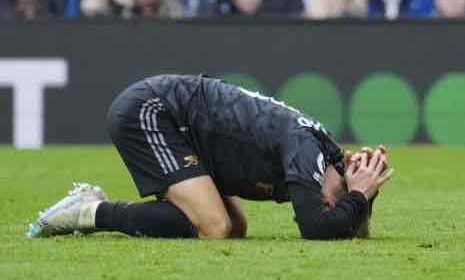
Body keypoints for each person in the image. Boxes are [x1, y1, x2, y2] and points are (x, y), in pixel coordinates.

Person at [27, 75, 393, 240]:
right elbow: (318, 228)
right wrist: (360, 194)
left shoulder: (320, 159)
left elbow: (347, 229)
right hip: (152, 109)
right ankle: (87, 211)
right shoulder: (307, 150)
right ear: (337, 180)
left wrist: (361, 195)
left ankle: (92, 210)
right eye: (332, 203)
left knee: (234, 228)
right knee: (214, 227)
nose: (321, 205)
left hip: (189, 132)